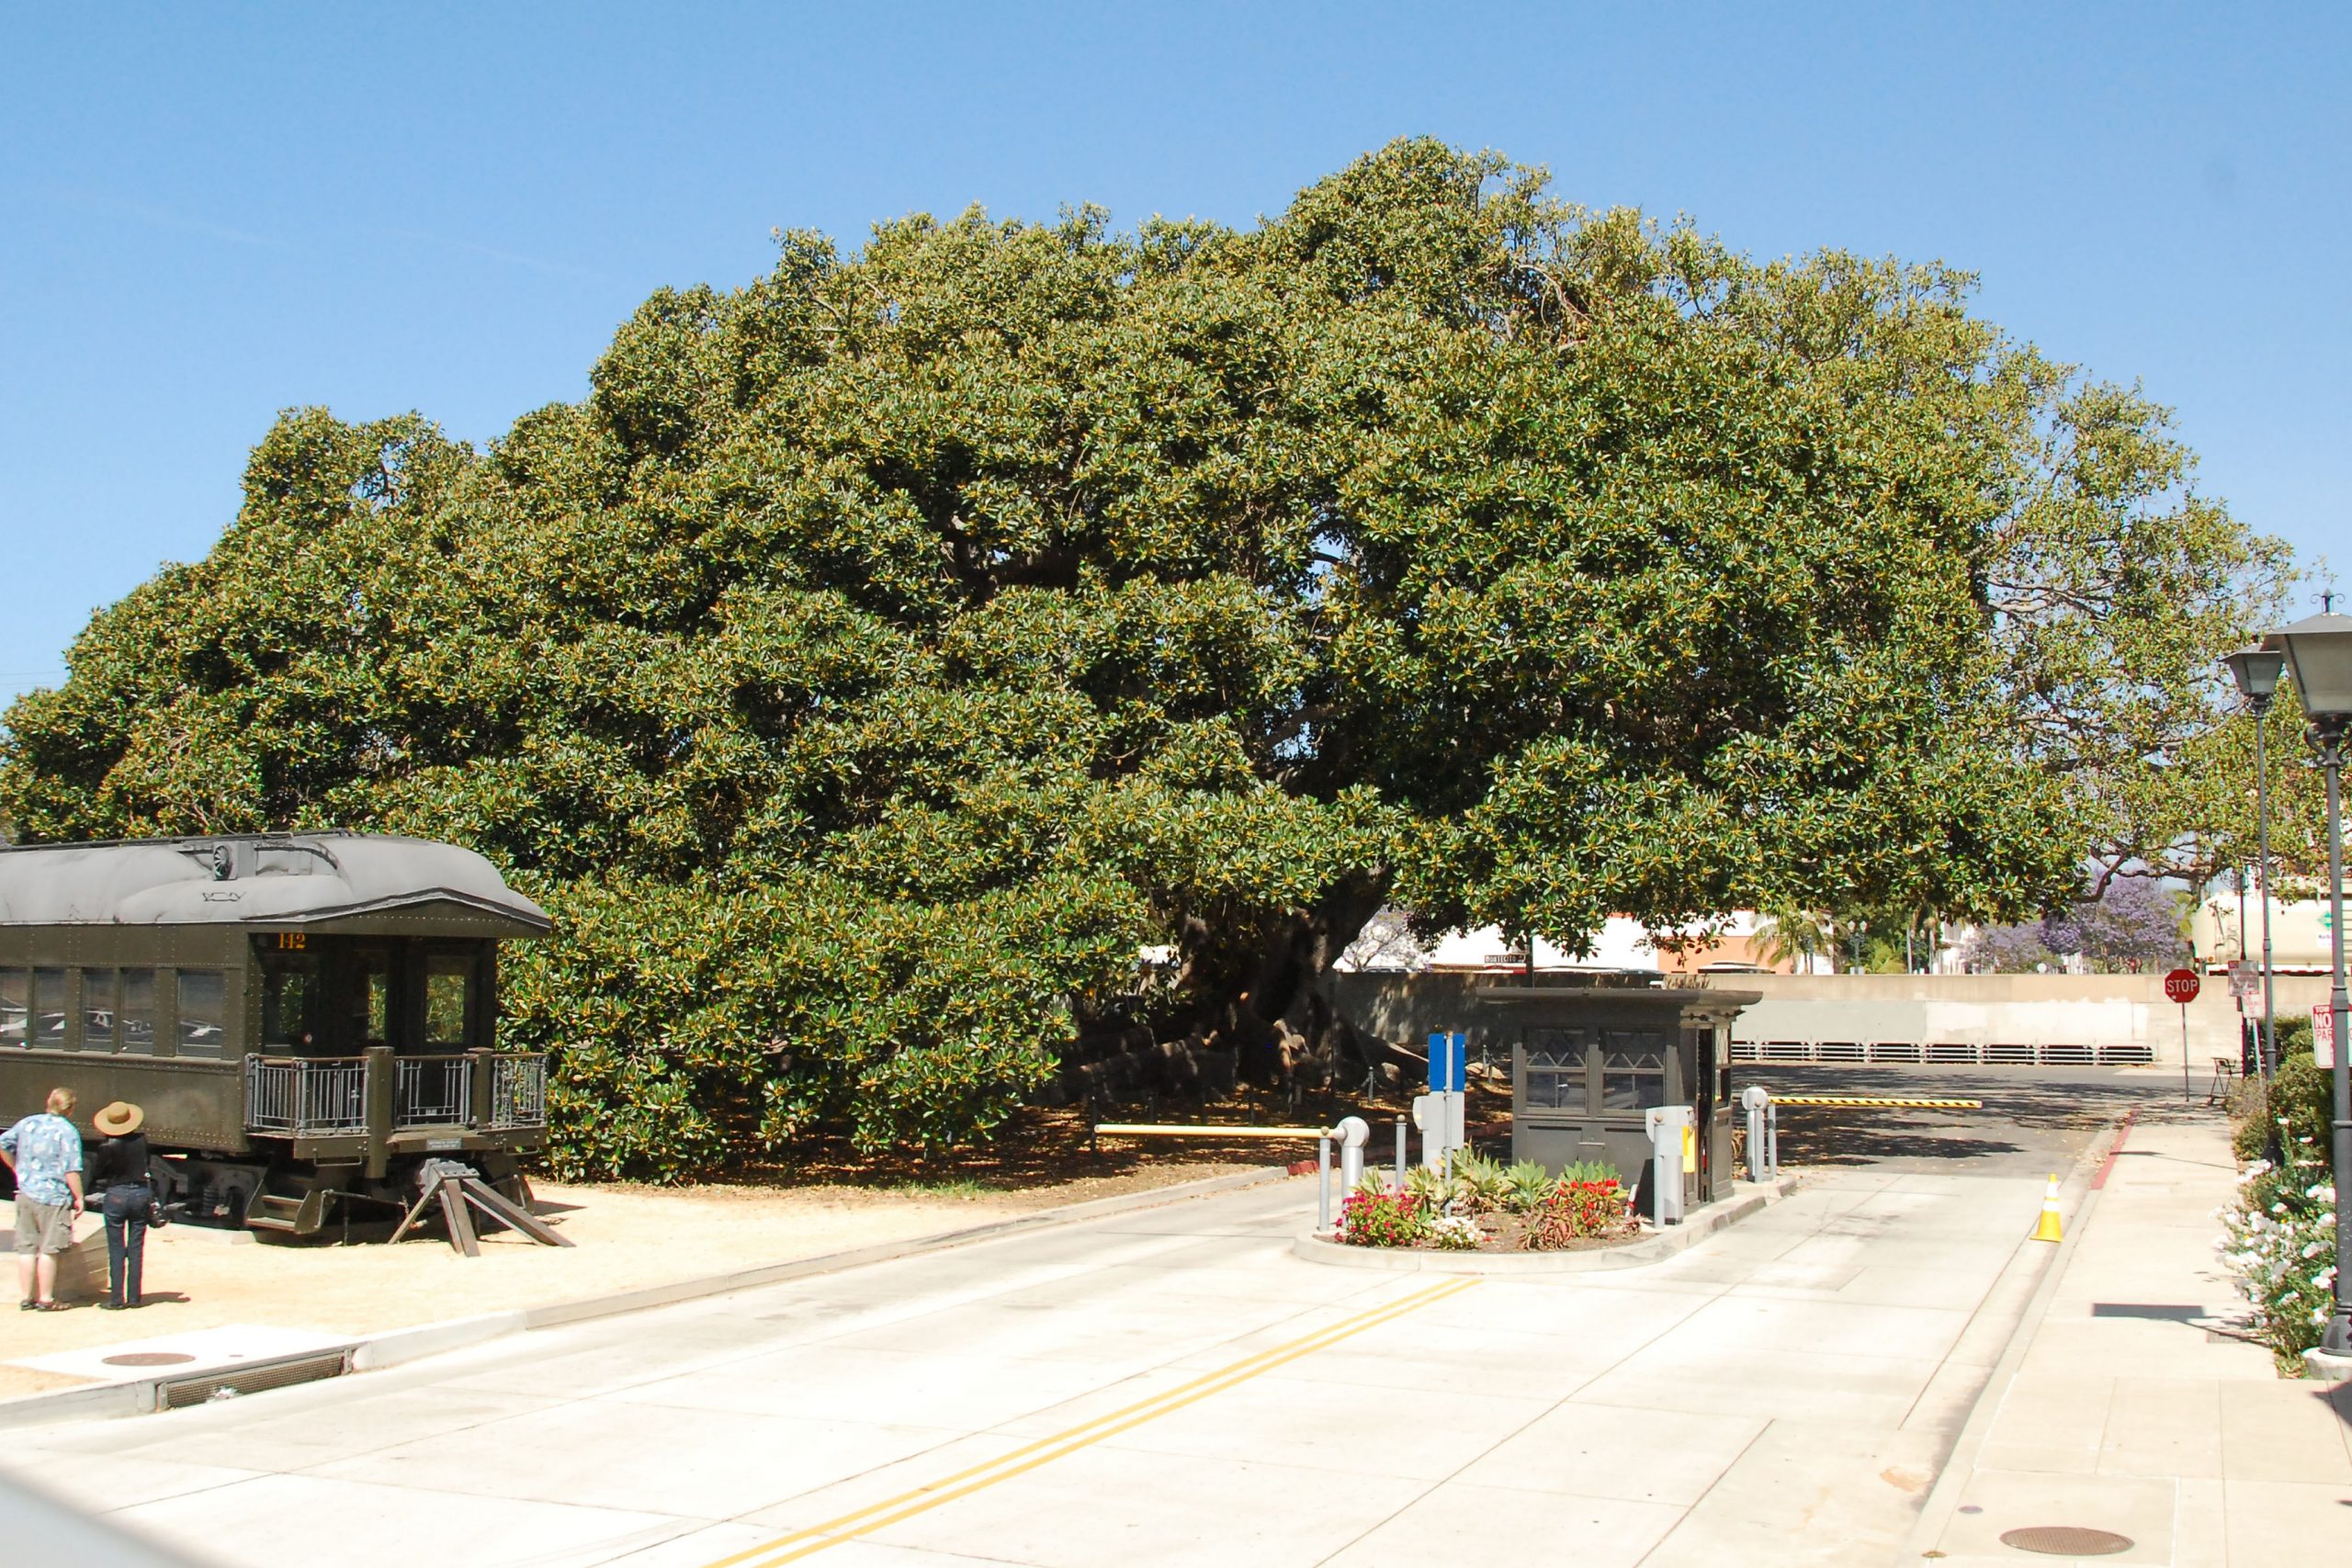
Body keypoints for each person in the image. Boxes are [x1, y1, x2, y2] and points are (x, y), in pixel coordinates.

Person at [2, 1088, 85, 1311]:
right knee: (49, 1249)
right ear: (70, 1108)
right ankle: (46, 1298)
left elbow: (3, 1144)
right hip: (53, 1197)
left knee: (26, 1248)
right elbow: (71, 1170)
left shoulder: (28, 1123)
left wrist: (16, 1168)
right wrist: (79, 1197)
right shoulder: (67, 1131)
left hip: (25, 1193)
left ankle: (26, 1297)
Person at [86, 1101, 153, 1310]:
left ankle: (116, 1299)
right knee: (136, 1247)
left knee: (116, 1247)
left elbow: (98, 1173)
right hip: (141, 1193)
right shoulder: (142, 1141)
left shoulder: (107, 1147)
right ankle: (134, 1297)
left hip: (116, 1194)